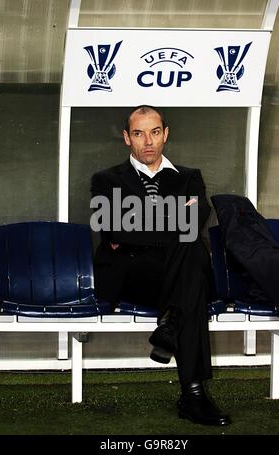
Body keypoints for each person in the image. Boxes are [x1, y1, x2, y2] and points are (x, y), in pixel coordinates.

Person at [90, 105, 230, 426]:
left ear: (165, 134)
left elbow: (194, 220)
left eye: (154, 132)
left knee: (191, 250)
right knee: (190, 258)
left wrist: (140, 218)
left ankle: (173, 328)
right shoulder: (106, 179)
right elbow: (114, 228)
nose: (148, 141)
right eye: (139, 133)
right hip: (135, 275)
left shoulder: (189, 177)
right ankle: (193, 394)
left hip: (177, 272)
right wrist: (173, 218)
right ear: (127, 138)